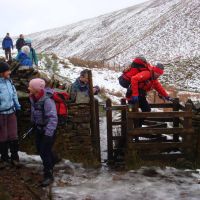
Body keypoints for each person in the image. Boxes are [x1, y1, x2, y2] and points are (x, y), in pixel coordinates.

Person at [28, 78, 58, 187]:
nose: (28, 88)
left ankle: (48, 176)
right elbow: (34, 111)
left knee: (44, 152)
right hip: (38, 128)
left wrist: (48, 134)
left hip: (48, 130)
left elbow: (53, 118)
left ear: (36, 89)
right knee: (40, 149)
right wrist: (33, 123)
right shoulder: (33, 97)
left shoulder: (47, 100)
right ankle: (54, 159)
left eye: (30, 87)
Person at [0, 62, 21, 169]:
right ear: (1, 72)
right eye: (7, 70)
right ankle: (4, 158)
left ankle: (15, 157)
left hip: (11, 112)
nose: (10, 72)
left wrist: (18, 107)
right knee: (2, 136)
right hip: (1, 114)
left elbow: (14, 95)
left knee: (13, 135)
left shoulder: (9, 81)